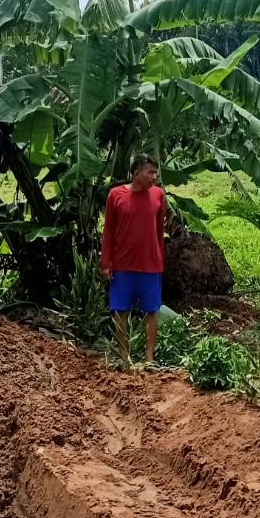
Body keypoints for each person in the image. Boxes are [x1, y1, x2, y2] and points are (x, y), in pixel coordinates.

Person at [101, 153, 166, 367]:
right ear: (136, 173)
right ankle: (123, 356)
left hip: (150, 265)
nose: (154, 177)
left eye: (156, 172)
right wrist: (107, 262)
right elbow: (108, 231)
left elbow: (159, 232)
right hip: (122, 265)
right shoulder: (115, 195)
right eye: (150, 172)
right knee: (120, 309)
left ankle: (149, 358)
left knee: (151, 310)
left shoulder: (158, 195)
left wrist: (159, 260)